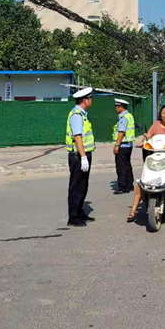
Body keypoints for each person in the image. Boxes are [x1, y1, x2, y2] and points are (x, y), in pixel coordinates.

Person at [65, 87, 96, 227]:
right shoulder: (77, 115)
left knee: (83, 185)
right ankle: (73, 217)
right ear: (85, 100)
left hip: (83, 154)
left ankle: (79, 211)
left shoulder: (83, 114)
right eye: (90, 98)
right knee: (76, 186)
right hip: (78, 156)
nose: (91, 100)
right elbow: (77, 137)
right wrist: (83, 157)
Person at [113, 98, 135, 194]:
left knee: (121, 167)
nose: (116, 109)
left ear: (121, 107)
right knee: (127, 165)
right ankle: (129, 185)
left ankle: (123, 187)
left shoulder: (123, 118)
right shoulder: (129, 116)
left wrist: (117, 145)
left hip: (123, 145)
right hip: (128, 145)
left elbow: (121, 133)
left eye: (117, 107)